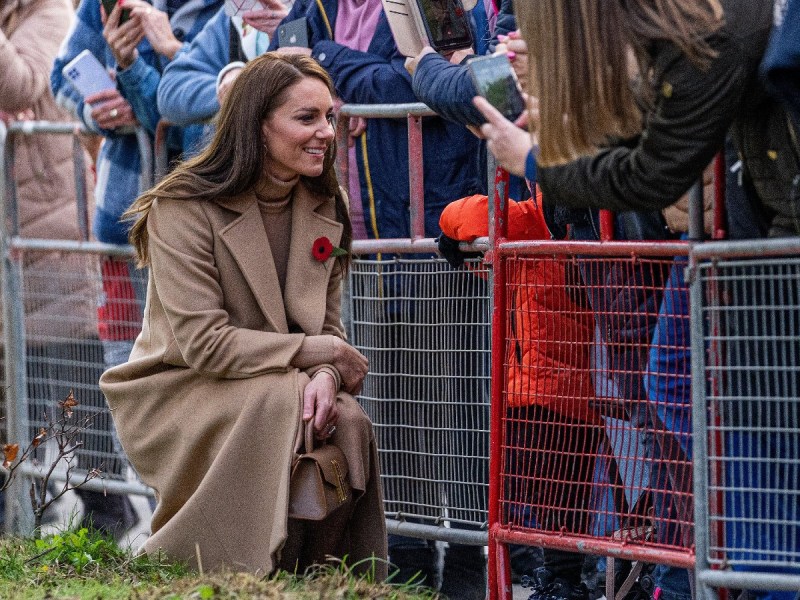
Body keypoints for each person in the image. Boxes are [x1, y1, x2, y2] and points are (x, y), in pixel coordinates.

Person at [474, 1, 799, 599]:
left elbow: (655, 170)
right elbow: (652, 134)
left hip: (761, 239)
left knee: (752, 419)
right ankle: (745, 565)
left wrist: (531, 159)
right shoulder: (682, 37)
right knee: (687, 392)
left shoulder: (706, 35)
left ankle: (759, 572)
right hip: (753, 232)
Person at [99, 53, 387, 575]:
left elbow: (328, 328)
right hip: (179, 386)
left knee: (346, 418)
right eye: (306, 118)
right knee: (298, 404)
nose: (325, 132)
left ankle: (324, 576)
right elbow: (204, 344)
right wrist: (318, 358)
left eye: (329, 117)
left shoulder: (328, 204)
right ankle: (232, 565)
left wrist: (323, 373)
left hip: (280, 379)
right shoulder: (182, 206)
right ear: (257, 124)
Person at [156, 0, 290, 154]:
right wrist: (228, 86)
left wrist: (291, 31)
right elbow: (172, 89)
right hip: (240, 166)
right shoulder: (238, 10)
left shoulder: (316, 9)